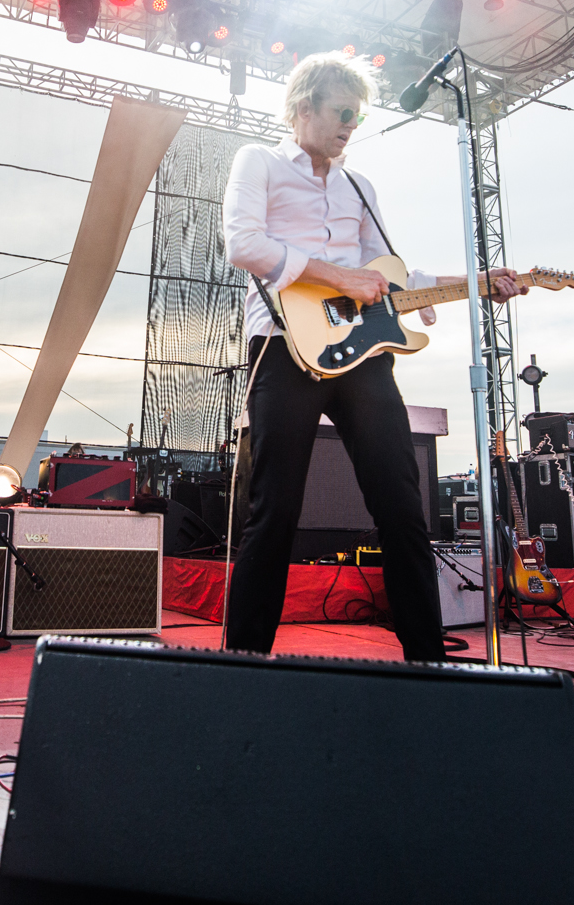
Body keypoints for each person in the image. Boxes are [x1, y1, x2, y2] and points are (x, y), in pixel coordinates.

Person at [222, 51, 521, 662]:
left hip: (361, 356)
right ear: (304, 106)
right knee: (274, 512)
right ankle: (243, 665)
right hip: (284, 347)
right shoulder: (260, 161)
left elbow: (387, 272)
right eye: (341, 113)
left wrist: (472, 279)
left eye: (357, 118)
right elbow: (244, 243)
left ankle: (427, 660)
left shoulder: (360, 185)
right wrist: (340, 277)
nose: (349, 126)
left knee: (403, 507)